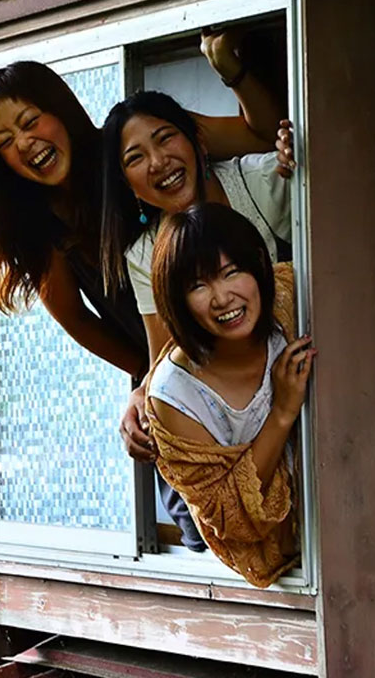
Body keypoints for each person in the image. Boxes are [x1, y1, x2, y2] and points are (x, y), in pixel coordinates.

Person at [0, 32, 283, 378]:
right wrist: (149, 376)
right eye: (6, 142)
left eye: (29, 122)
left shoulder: (137, 139)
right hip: (176, 372)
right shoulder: (44, 228)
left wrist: (229, 69)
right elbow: (78, 320)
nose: (25, 143)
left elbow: (265, 134)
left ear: (61, 110)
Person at [101, 90, 297, 455]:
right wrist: (142, 393)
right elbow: (165, 352)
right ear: (128, 184)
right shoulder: (145, 254)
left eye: (165, 138)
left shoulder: (258, 181)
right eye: (136, 158)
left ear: (197, 141)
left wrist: (298, 150)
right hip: (243, 419)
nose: (158, 162)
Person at [143, 203, 313, 587]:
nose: (222, 298)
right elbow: (227, 515)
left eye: (231, 272)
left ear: (257, 267)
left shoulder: (288, 301)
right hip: (291, 573)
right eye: (198, 286)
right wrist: (282, 412)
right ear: (176, 301)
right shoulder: (175, 396)